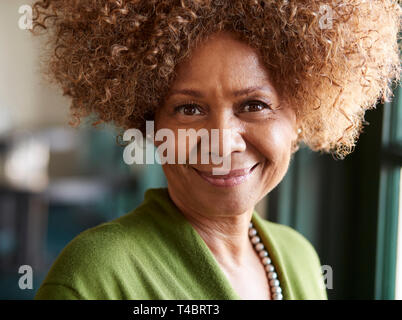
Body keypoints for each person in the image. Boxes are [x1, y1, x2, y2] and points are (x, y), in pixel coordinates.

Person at [31, 0, 401, 300]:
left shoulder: (299, 257)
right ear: (151, 127)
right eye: (189, 109)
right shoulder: (95, 277)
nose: (222, 143)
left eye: (254, 105)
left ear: (300, 117)